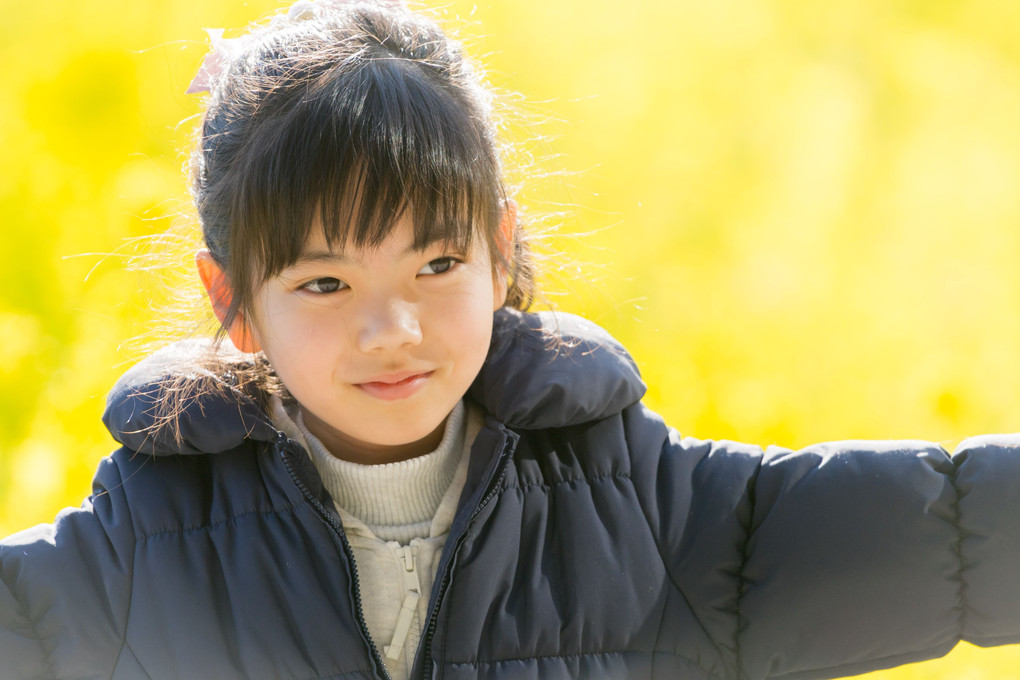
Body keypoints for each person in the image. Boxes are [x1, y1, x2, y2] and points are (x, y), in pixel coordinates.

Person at [2, 1, 1020, 679]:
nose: (391, 326)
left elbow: (948, 534)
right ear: (232, 298)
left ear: (499, 248)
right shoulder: (145, 537)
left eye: (436, 265)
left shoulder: (634, 502)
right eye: (324, 281)